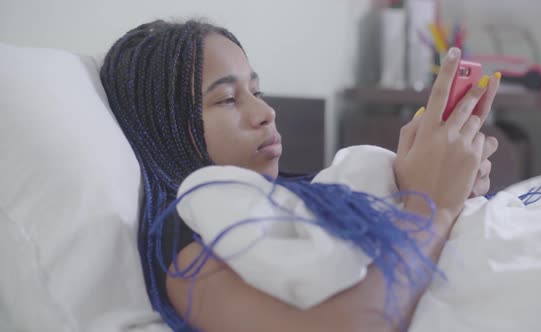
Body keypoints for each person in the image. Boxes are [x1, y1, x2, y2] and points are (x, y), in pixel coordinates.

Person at [100, 19, 501, 332]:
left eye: (257, 92)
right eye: (226, 99)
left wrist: (440, 177)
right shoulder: (186, 233)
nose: (265, 113)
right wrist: (435, 207)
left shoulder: (311, 191)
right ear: (164, 127)